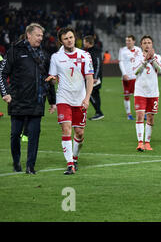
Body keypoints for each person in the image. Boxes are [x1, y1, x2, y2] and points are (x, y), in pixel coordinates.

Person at [0, 23, 56, 174]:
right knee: (14, 135)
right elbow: (2, 73)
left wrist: (52, 101)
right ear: (28, 35)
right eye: (38, 35)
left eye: (42, 36)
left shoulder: (44, 55)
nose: (40, 38)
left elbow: (48, 78)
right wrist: (5, 93)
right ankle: (16, 160)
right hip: (17, 100)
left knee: (34, 135)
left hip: (37, 101)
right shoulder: (14, 51)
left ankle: (30, 166)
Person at [46, 27, 94, 175]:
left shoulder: (85, 55)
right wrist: (53, 80)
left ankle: (74, 157)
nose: (69, 40)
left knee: (79, 133)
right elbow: (53, 79)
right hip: (63, 98)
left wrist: (87, 98)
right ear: (61, 41)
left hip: (80, 99)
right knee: (66, 128)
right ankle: (70, 165)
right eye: (66, 38)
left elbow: (89, 78)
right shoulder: (55, 57)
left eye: (71, 37)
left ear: (75, 38)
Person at [132, 35, 161, 152]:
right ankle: (140, 142)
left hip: (153, 92)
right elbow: (135, 71)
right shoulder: (137, 57)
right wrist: (145, 61)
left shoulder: (158, 57)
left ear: (152, 44)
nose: (147, 44)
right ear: (141, 45)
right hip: (140, 91)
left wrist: (152, 60)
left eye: (149, 42)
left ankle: (147, 143)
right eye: (144, 42)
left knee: (150, 118)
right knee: (140, 115)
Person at [118, 35, 142, 120]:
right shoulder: (122, 50)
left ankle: (141, 113)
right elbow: (120, 62)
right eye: (126, 41)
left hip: (136, 76)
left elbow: (141, 62)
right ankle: (129, 114)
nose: (127, 42)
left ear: (134, 41)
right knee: (127, 95)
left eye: (129, 40)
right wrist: (124, 74)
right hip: (127, 76)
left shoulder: (138, 50)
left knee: (139, 95)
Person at [83, 35, 104, 120]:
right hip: (93, 77)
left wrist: (95, 77)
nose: (83, 43)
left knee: (88, 93)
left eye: (84, 42)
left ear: (88, 43)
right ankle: (98, 112)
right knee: (95, 94)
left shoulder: (95, 51)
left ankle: (98, 112)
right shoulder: (90, 51)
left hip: (94, 78)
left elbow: (98, 64)